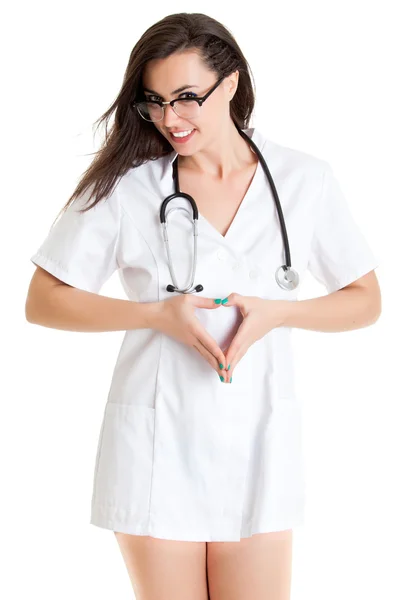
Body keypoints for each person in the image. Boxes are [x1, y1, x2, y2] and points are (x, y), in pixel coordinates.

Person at [25, 11, 381, 600]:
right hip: (157, 445)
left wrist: (279, 312)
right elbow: (44, 300)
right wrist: (153, 315)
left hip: (260, 444)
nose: (171, 119)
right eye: (155, 101)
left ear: (233, 82)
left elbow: (364, 300)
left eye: (188, 97)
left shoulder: (303, 179)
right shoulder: (127, 185)